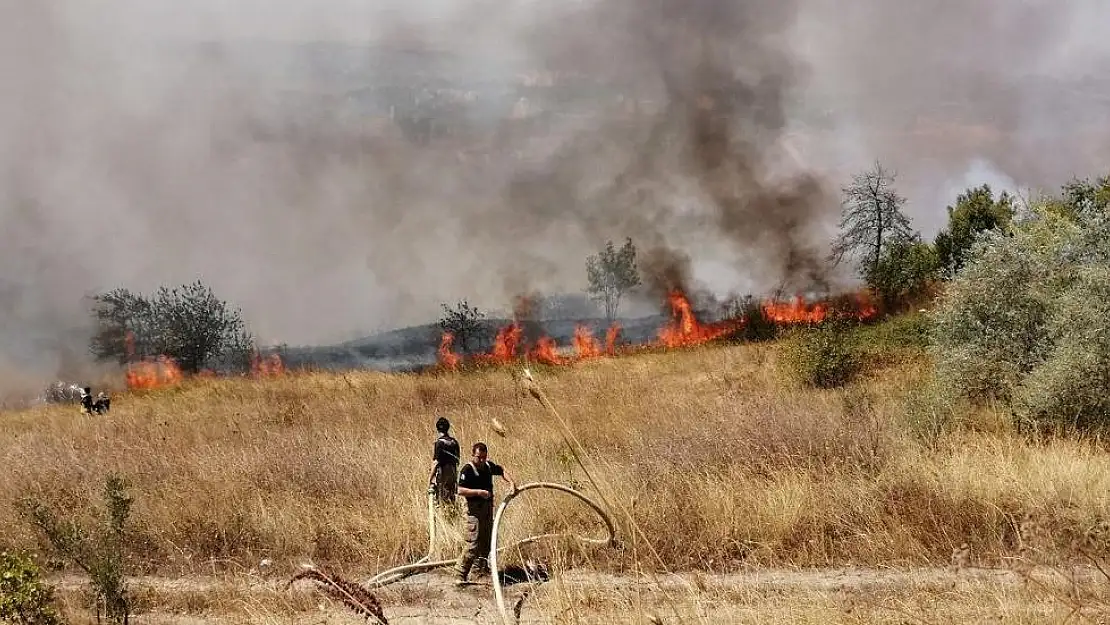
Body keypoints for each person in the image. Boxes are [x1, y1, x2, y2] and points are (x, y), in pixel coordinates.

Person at [454, 441, 516, 584]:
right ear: (473, 455)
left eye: (483, 457)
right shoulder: (467, 470)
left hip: (487, 511)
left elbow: (502, 470)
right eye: (478, 457)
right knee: (472, 545)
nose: (481, 460)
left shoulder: (488, 466)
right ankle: (460, 574)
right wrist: (478, 492)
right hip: (473, 513)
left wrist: (511, 483)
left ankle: (480, 570)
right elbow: (459, 490)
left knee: (486, 542)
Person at [428, 416, 461, 506]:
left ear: (437, 429)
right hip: (453, 473)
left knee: (442, 500)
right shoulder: (455, 442)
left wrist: (430, 478)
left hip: (443, 474)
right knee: (451, 498)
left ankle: (444, 517)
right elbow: (458, 460)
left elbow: (436, 462)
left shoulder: (440, 443)